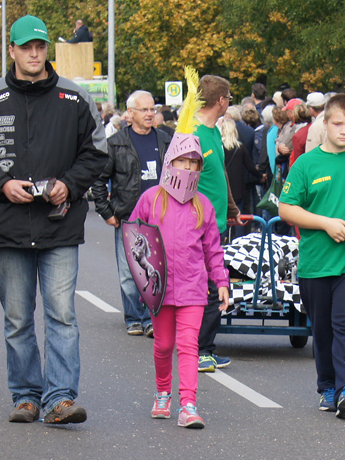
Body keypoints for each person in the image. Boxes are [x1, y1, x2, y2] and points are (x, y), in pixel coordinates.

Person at [0, 15, 108, 424]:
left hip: (59, 223)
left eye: (40, 46)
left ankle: (59, 398)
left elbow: (96, 153)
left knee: (62, 314)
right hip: (8, 224)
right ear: (12, 51)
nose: (35, 53)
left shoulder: (74, 98)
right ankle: (25, 395)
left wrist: (70, 185)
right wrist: (2, 184)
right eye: (26, 47)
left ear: (47, 50)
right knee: (18, 317)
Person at [279, 93, 345, 419]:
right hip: (316, 263)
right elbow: (286, 208)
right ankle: (327, 385)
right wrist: (325, 224)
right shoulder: (306, 164)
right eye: (337, 124)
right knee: (323, 330)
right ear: (324, 124)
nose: (344, 131)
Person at [129, 124, 231, 428]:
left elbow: (213, 248)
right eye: (181, 162)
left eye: (193, 163)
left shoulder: (203, 205)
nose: (187, 169)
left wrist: (222, 281)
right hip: (159, 289)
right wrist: (141, 280)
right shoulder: (151, 199)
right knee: (162, 346)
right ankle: (163, 392)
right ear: (169, 162)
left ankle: (188, 404)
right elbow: (134, 236)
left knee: (189, 345)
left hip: (193, 288)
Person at [90, 90, 171, 337]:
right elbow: (99, 179)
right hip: (128, 215)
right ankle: (133, 317)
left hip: (161, 216)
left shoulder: (166, 139)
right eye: (144, 110)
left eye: (152, 109)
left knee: (156, 268)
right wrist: (106, 211)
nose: (150, 114)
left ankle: (150, 318)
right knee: (129, 271)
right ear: (130, 114)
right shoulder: (115, 143)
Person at [194, 75, 241, 373]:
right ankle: (201, 350)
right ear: (221, 100)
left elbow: (219, 175)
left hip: (217, 223)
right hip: (198, 226)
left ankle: (201, 347)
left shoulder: (213, 130)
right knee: (211, 288)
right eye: (229, 98)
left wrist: (232, 207)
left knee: (212, 286)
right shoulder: (193, 133)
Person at [220, 116, 262, 238]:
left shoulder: (219, 147)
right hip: (238, 188)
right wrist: (260, 176)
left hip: (224, 188)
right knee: (238, 217)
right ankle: (238, 243)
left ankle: (222, 243)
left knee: (223, 218)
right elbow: (250, 166)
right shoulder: (240, 147)